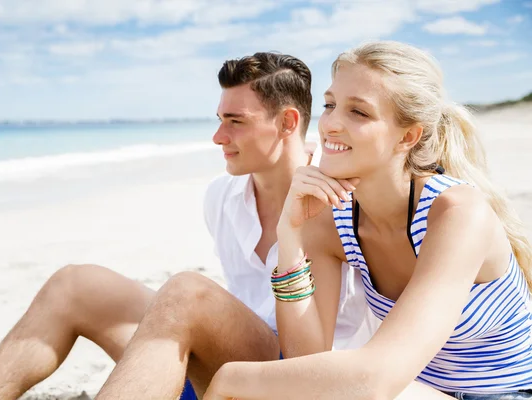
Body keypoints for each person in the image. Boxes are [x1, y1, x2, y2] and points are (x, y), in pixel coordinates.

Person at [0, 52, 373, 400]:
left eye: (235, 121)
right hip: (225, 365)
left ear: (286, 123)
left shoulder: (341, 195)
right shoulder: (221, 197)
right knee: (75, 283)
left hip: (300, 376)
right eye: (218, 119)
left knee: (187, 292)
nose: (217, 136)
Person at [203, 41, 532, 400]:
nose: (330, 125)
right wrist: (291, 233)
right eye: (329, 106)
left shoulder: (456, 213)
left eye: (358, 112)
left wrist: (234, 379)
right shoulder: (334, 216)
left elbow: (376, 379)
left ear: (407, 136)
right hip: (418, 390)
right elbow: (307, 356)